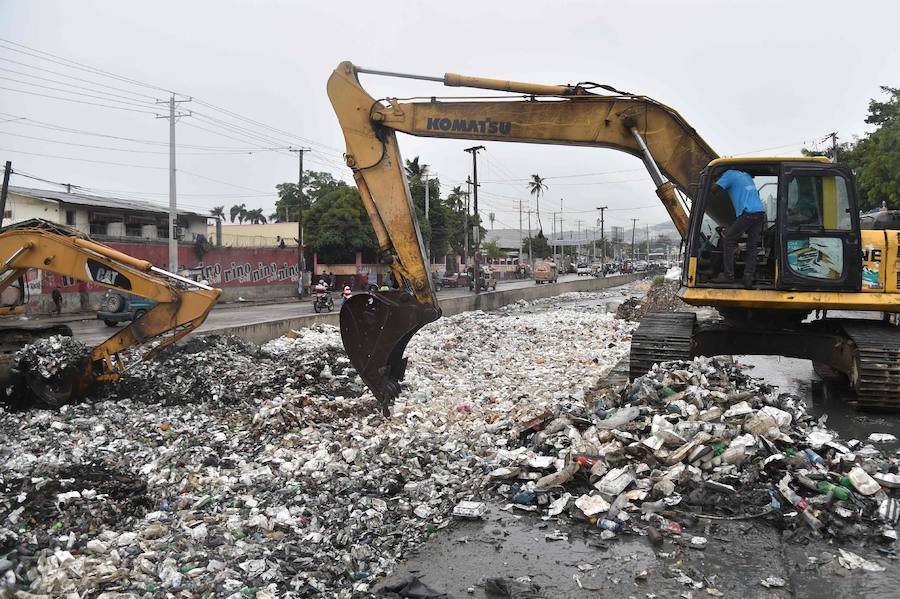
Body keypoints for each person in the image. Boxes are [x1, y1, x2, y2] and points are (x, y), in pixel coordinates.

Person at [712, 169, 767, 287]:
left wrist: (707, 184)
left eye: (717, 179)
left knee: (728, 240)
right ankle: (748, 276)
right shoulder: (745, 175)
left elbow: (713, 190)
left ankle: (728, 276)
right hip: (759, 213)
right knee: (752, 245)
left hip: (748, 213)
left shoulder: (727, 175)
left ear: (719, 176)